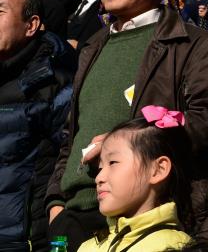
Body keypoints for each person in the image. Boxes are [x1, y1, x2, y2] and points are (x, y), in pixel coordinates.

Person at [46, 0, 208, 252]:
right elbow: (70, 137)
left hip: (149, 221)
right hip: (73, 219)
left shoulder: (195, 44)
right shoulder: (92, 47)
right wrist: (56, 203)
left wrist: (127, 140)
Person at [0, 0, 74, 252]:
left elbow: (70, 165)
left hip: (28, 242)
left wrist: (59, 245)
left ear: (31, 25)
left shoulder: (53, 84)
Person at [77, 107, 193, 251]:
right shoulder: (88, 247)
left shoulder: (175, 246)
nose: (98, 178)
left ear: (158, 170)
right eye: (100, 168)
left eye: (113, 162)